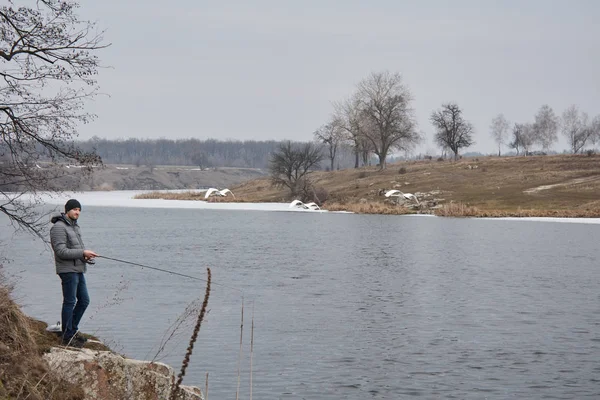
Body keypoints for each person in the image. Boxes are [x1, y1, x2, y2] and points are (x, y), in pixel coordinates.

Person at [50, 199, 98, 347]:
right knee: (70, 302)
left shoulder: (74, 227)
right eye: (74, 209)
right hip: (67, 270)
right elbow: (61, 251)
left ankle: (72, 330)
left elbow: (75, 250)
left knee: (84, 300)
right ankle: (67, 336)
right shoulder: (59, 227)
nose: (77, 212)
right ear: (67, 210)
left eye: (79, 210)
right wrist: (82, 252)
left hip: (78, 269)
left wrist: (85, 257)